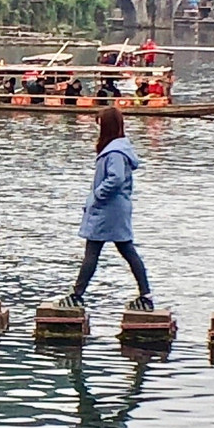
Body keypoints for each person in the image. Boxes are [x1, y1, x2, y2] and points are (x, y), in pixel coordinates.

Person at [58, 108, 153, 311]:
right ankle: (145, 294)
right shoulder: (118, 149)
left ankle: (77, 294)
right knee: (125, 249)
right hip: (114, 209)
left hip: (108, 210)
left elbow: (116, 178)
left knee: (95, 251)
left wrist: (98, 195)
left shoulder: (114, 152)